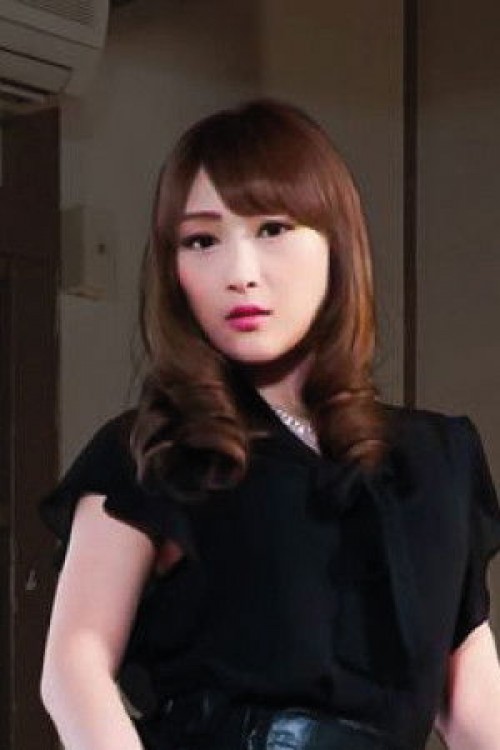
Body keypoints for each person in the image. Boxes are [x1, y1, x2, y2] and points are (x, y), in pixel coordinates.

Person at [39, 100, 500, 750]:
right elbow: (73, 669)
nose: (239, 274)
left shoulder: (434, 460)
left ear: (336, 243)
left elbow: (474, 709)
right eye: (201, 241)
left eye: (273, 229)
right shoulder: (153, 451)